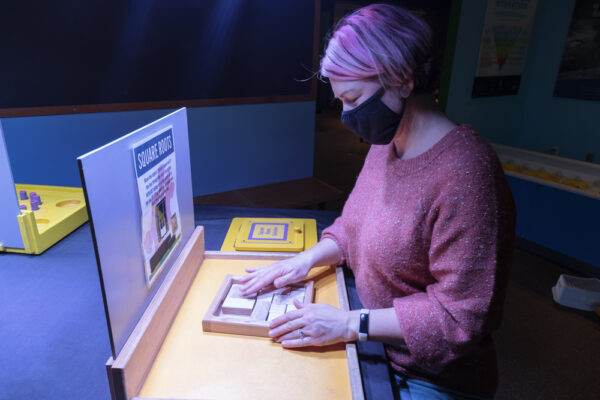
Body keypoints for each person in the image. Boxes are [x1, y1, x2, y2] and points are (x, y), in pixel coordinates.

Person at [240, 4, 515, 400]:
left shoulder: (467, 173)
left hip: (427, 376)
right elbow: (351, 229)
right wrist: (304, 260)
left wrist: (350, 324)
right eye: (341, 103)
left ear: (402, 78)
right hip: (370, 342)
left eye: (353, 98)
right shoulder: (385, 146)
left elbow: (460, 316)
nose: (348, 117)